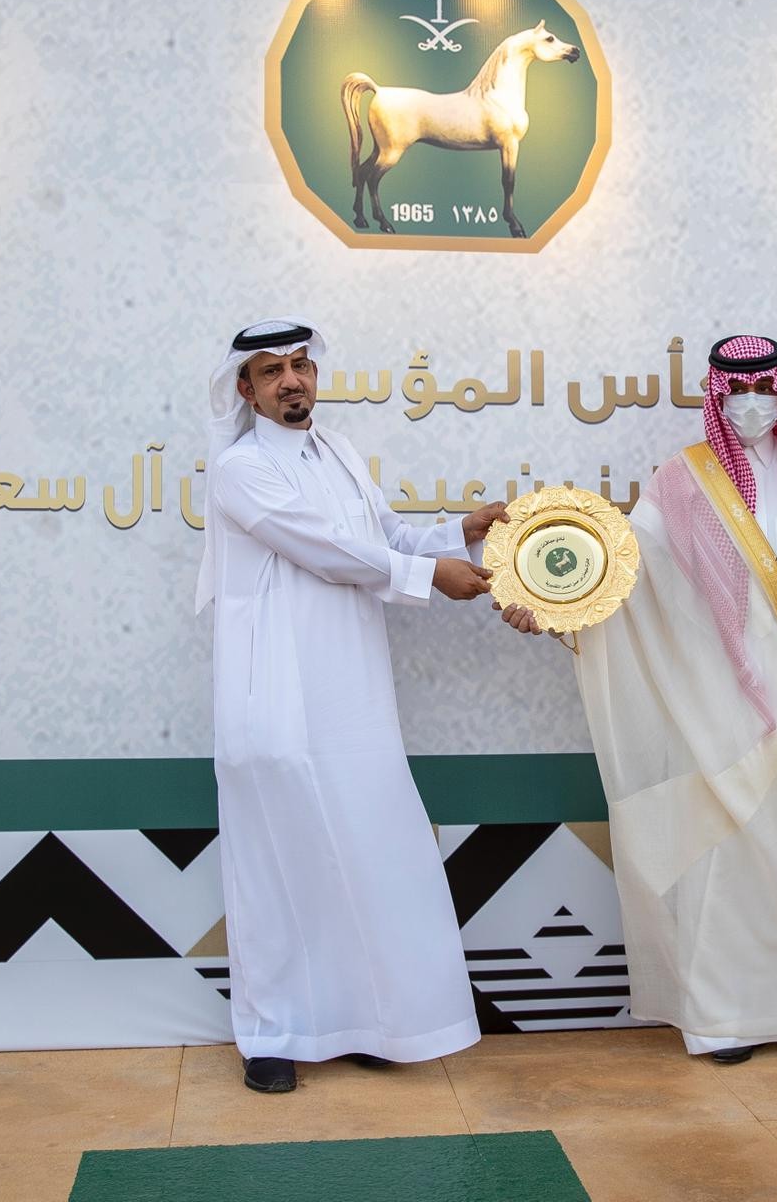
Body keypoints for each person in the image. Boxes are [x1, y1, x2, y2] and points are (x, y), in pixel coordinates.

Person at [499, 334, 777, 1075]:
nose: (751, 403)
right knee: (731, 844)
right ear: (717, 395)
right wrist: (553, 599)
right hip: (718, 689)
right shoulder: (683, 479)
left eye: (763, 388)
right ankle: (723, 1018)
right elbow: (628, 573)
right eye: (736, 390)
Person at [197, 318, 506, 1093]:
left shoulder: (337, 451)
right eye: (272, 371)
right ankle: (272, 1036)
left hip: (353, 695)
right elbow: (326, 550)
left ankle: (365, 1023)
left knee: (365, 857)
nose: (291, 380)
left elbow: (381, 533)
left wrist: (456, 534)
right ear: (247, 390)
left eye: (300, 365)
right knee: (279, 867)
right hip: (277, 695)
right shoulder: (239, 469)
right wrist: (430, 577)